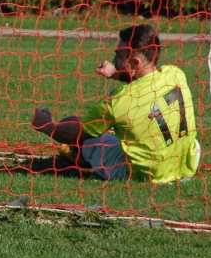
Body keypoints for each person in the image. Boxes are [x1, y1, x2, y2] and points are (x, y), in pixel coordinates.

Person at [31, 24, 200, 183]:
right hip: (185, 165)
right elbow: (144, 83)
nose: (114, 59)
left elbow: (77, 134)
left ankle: (79, 157)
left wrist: (47, 126)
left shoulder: (118, 102)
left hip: (147, 175)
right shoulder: (175, 74)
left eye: (118, 55)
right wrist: (117, 74)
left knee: (88, 138)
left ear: (134, 62)